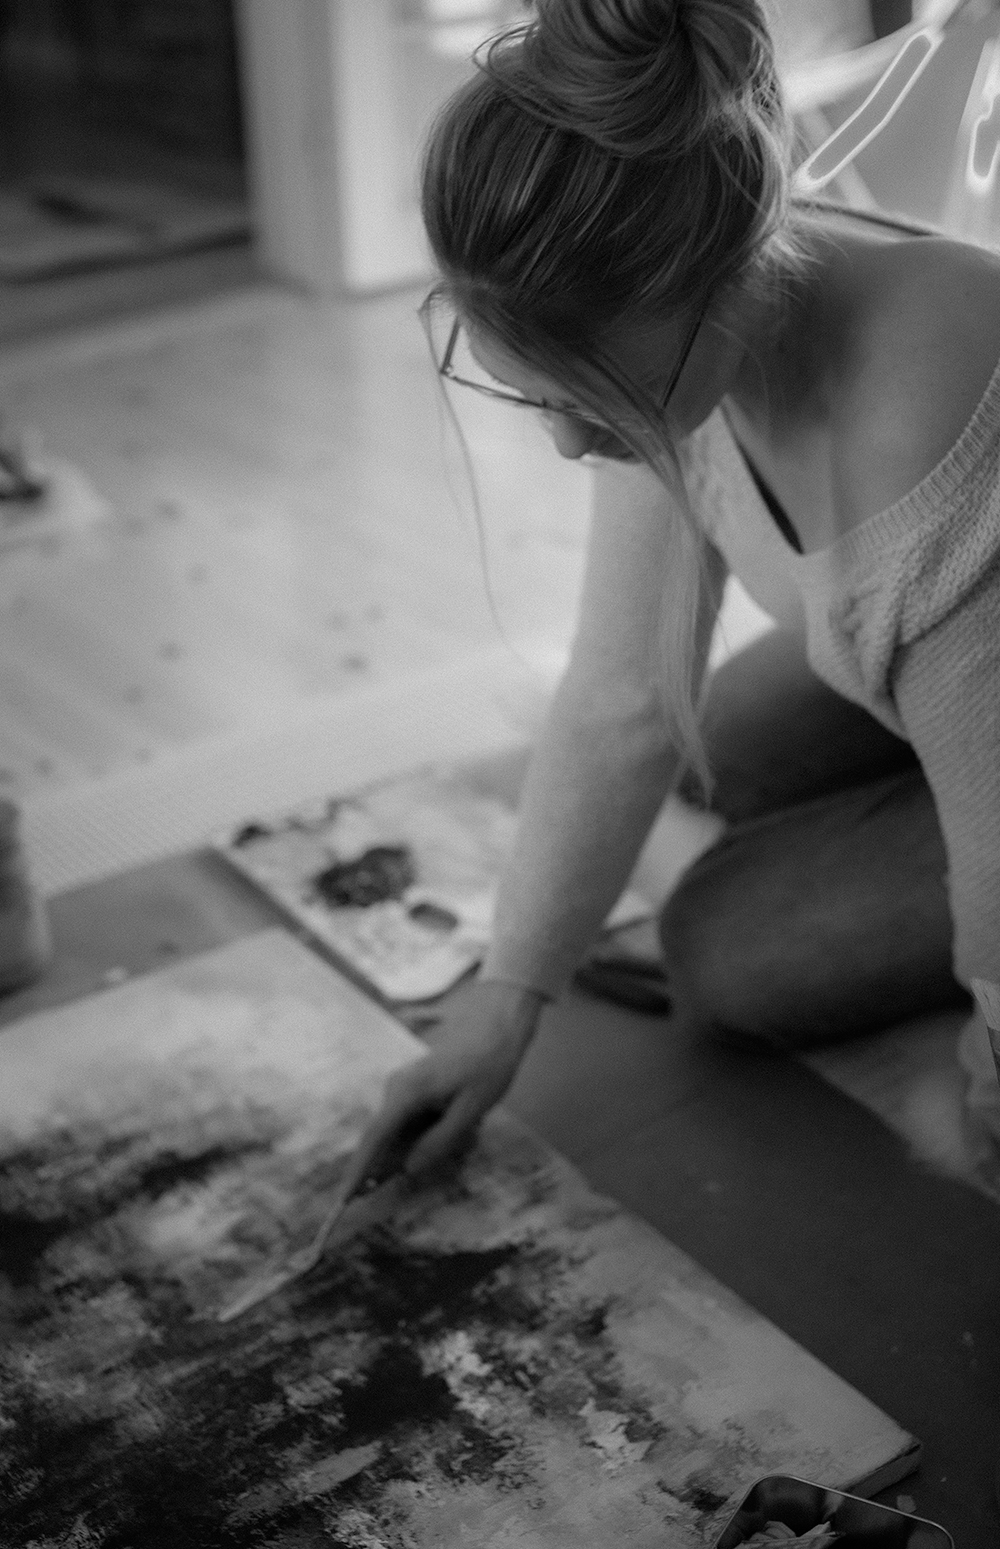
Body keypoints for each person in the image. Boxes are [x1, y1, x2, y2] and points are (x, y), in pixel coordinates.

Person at [345, 0, 1000, 1194]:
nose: (567, 444)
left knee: (724, 952)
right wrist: (508, 992)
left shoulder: (936, 430)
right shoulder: (684, 304)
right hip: (955, 651)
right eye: (537, 398)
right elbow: (623, 693)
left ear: (727, 281)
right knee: (716, 747)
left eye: (592, 398)